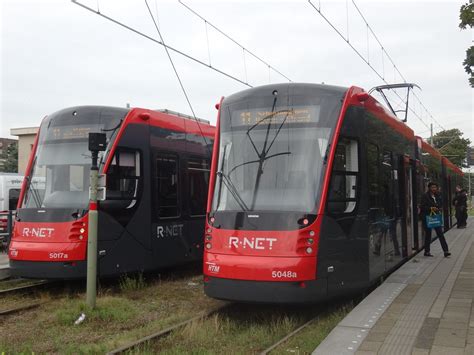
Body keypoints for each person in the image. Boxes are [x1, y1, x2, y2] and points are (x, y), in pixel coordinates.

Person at [420, 182, 451, 257]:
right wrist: (430, 208)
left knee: (440, 234)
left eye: (435, 187)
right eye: (432, 187)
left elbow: (440, 204)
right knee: (428, 234)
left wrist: (439, 207)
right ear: (429, 188)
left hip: (436, 217)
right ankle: (427, 251)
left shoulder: (438, 195)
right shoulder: (425, 196)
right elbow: (422, 207)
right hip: (428, 217)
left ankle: (446, 251)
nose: (434, 189)